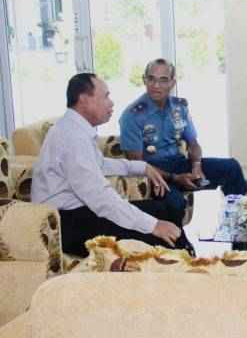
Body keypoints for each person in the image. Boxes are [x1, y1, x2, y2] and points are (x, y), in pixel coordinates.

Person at [32, 73, 193, 257]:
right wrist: (153, 225)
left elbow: (100, 164)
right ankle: (190, 265)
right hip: (64, 225)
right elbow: (100, 197)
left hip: (76, 214)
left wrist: (142, 167)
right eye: (105, 96)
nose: (111, 103)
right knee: (158, 234)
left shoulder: (74, 129)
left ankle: (190, 260)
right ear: (84, 100)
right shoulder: (72, 137)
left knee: (164, 210)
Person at [120, 58, 247, 215]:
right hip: (153, 174)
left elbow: (193, 143)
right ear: (144, 80)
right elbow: (137, 164)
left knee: (231, 167)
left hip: (179, 164)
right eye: (151, 79)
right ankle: (175, 232)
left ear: (172, 83)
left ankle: (239, 221)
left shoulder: (179, 107)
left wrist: (196, 166)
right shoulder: (132, 115)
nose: (156, 85)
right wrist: (174, 178)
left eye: (163, 80)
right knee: (176, 203)